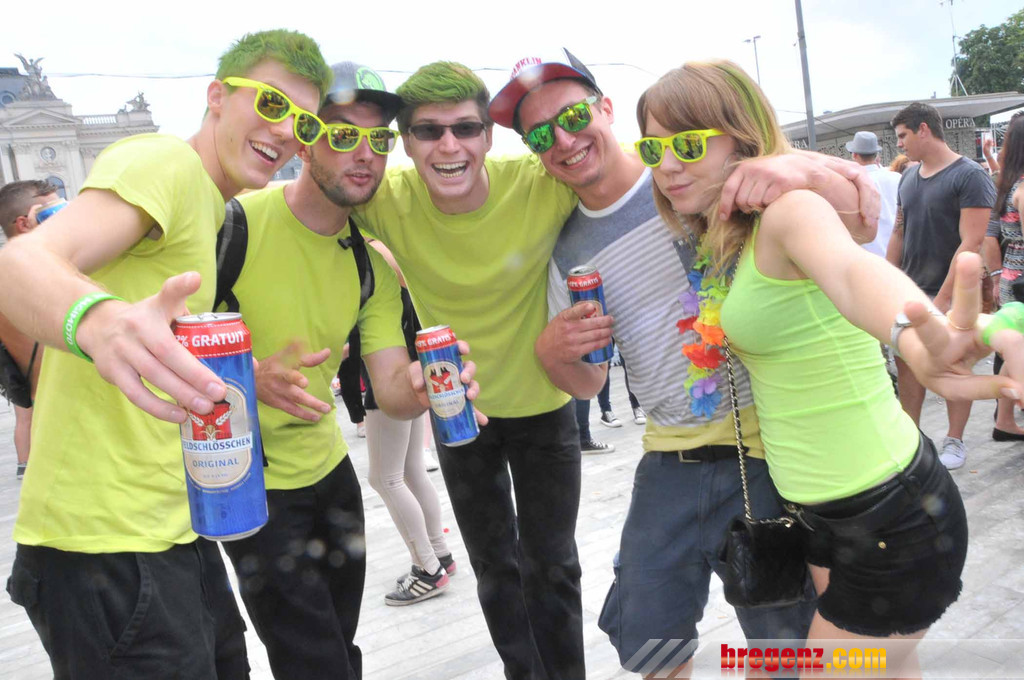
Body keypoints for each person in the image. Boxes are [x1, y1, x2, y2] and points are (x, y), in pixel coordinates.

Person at [496, 49, 877, 678]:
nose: (562, 140)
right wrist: (551, 354)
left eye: (573, 116)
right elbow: (589, 381)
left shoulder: (690, 176)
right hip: (669, 457)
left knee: (784, 642)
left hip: (767, 447)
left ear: (605, 108)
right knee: (647, 634)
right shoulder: (567, 249)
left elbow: (859, 224)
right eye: (539, 135)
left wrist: (798, 166)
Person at [639, 58, 1024, 678]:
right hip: (822, 515)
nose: (667, 165)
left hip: (889, 515)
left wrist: (911, 334)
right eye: (652, 148)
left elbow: (850, 272)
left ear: (741, 137)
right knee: (892, 670)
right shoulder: (727, 233)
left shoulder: (789, 211)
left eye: (687, 144)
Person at [0, 30, 332, 679]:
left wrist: (246, 378)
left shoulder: (212, 208)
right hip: (106, 545)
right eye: (271, 103)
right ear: (217, 97)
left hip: (171, 531)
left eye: (305, 121)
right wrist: (99, 321)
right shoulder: (164, 162)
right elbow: (20, 263)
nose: (286, 130)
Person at [217, 61, 480, 679]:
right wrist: (245, 378)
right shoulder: (232, 225)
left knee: (341, 643)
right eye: (342, 135)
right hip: (250, 484)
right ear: (306, 141)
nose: (364, 153)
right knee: (313, 659)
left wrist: (422, 388)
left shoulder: (369, 265)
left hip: (331, 476)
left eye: (379, 139)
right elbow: (161, 333)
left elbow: (390, 389)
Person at [355, 61, 585, 680]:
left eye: (465, 128)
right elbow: (292, 205)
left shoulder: (539, 184)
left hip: (545, 406)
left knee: (554, 566)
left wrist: (794, 168)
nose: (449, 145)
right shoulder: (386, 201)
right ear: (406, 143)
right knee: (495, 570)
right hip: (460, 414)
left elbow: (634, 178)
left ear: (488, 135)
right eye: (428, 131)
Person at [886, 101, 997, 470]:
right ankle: (912, 441)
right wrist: (887, 280)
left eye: (903, 135)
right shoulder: (907, 177)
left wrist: (944, 298)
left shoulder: (970, 175)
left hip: (955, 294)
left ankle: (955, 440)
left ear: (924, 129)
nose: (899, 144)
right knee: (907, 367)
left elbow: (971, 241)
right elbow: (899, 231)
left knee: (955, 365)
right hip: (910, 290)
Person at [360, 238, 457, 605]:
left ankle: (427, 568)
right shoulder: (398, 253)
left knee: (385, 478)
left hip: (389, 381)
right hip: (413, 374)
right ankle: (439, 554)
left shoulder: (371, 255)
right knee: (411, 470)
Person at [0, 180, 55, 478]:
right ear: (25, 223)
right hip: (55, 398)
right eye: (51, 212)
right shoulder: (33, 274)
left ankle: (25, 466)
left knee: (24, 418)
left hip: (24, 384)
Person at [984, 113, 1024, 440]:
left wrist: (998, 278)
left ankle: (1005, 420)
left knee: (1016, 351)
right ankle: (1006, 419)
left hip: (1013, 276)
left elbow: (991, 236)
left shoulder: (1007, 183)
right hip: (1022, 278)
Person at [846, 131, 901, 258]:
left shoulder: (852, 184)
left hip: (869, 256)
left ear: (854, 155)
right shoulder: (897, 178)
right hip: (898, 253)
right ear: (876, 154)